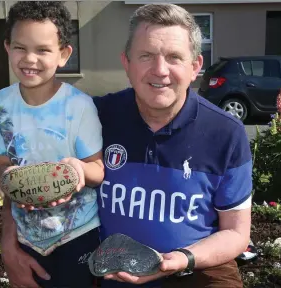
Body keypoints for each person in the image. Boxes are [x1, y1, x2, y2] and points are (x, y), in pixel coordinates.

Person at [93, 3, 252, 288]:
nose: (160, 70)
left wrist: (181, 258)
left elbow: (236, 234)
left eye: (174, 57)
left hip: (196, 268)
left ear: (195, 67)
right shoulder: (95, 117)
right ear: (126, 63)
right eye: (146, 56)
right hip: (112, 271)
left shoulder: (226, 132)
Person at [0, 2, 104, 288]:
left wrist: (78, 170)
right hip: (25, 234)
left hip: (77, 233)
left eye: (43, 50)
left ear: (63, 54)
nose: (29, 59)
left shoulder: (80, 106)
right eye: (21, 47)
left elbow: (99, 169)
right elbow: (1, 164)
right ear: (8, 47)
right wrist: (6, 179)